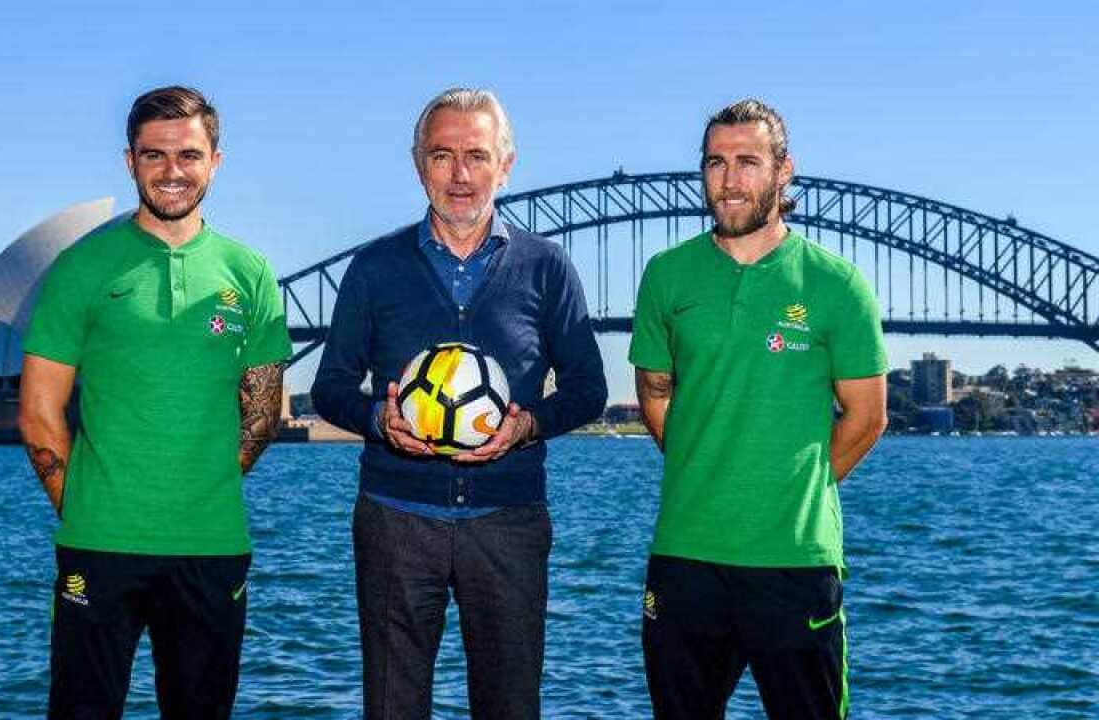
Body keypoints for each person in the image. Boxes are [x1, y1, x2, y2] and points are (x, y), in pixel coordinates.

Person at [311, 87, 606, 720]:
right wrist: (377, 421)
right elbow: (331, 385)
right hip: (394, 522)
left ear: (507, 164)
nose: (461, 174)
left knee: (508, 708)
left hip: (509, 524)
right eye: (442, 155)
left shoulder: (547, 268)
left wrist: (529, 425)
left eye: (477, 154)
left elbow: (589, 389)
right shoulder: (374, 267)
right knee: (391, 707)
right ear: (419, 164)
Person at [18, 85, 292, 719]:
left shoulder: (248, 273)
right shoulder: (80, 267)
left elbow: (260, 415)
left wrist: (196, 485)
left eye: (190, 155)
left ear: (215, 161)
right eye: (155, 155)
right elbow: (37, 409)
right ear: (129, 161)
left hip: (212, 545)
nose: (173, 171)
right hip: (98, 544)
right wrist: (86, 501)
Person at [629, 99, 888, 719]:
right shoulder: (667, 275)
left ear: (783, 171)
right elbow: (655, 392)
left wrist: (789, 486)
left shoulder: (837, 283)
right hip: (685, 556)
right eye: (716, 162)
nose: (730, 178)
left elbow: (866, 416)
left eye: (748, 161)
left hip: (795, 560)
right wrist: (707, 460)